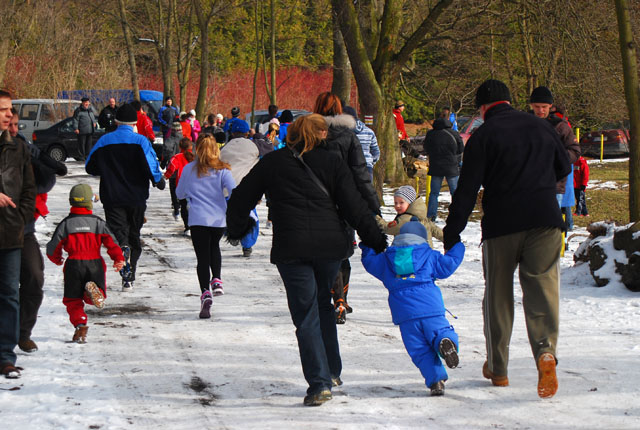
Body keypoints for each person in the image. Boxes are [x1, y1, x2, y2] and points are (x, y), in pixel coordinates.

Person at [226, 114, 387, 406]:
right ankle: (332, 371)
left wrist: (237, 229)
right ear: (320, 135)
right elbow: (354, 204)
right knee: (322, 304)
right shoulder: (334, 162)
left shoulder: (273, 163)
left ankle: (319, 383)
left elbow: (241, 197)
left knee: (306, 312)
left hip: (292, 248)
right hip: (330, 248)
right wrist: (375, 238)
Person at [443, 79, 571, 399]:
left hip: (502, 224)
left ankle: (498, 368)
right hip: (545, 220)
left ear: (484, 108)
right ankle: (545, 352)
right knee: (541, 288)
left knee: (498, 293)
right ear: (511, 101)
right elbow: (564, 165)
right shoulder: (542, 127)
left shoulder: (484, 135)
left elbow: (468, 189)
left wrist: (452, 230)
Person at [360, 220, 465, 396]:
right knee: (440, 331)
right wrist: (458, 246)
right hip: (431, 307)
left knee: (419, 350)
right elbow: (449, 264)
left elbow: (370, 262)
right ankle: (445, 342)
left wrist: (367, 246)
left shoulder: (386, 259)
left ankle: (435, 381)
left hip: (405, 314)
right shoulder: (429, 256)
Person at [314, 92, 381, 323]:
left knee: (321, 253)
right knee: (342, 253)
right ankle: (341, 300)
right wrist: (373, 204)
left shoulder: (308, 134)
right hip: (344, 201)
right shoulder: (349, 136)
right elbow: (361, 173)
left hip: (315, 202)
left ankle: (331, 298)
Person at [86, 103, 165, 291]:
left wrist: (106, 168)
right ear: (134, 122)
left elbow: (90, 166)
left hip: (112, 197)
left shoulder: (104, 141)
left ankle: (123, 257)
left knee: (119, 234)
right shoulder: (141, 142)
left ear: (117, 121)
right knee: (134, 235)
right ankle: (130, 273)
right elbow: (151, 163)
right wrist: (158, 181)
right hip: (136, 197)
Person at [9, 108, 67, 353]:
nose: (13, 129)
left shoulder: (23, 148)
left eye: (15, 125)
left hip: (24, 228)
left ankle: (22, 333)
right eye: (7, 124)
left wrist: (43, 162)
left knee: (34, 278)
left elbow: (46, 182)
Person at [46, 184, 125, 343]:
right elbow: (112, 242)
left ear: (71, 202)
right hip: (95, 263)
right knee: (97, 291)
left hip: (74, 264)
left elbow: (52, 247)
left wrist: (57, 258)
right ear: (89, 203)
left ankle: (80, 324)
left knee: (72, 299)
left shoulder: (66, 224)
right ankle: (94, 293)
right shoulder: (98, 223)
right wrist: (118, 259)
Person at [177, 135, 235, 318]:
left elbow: (180, 193)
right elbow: (233, 190)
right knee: (214, 247)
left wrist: (190, 193)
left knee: (202, 257)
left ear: (197, 149)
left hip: (197, 219)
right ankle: (216, 279)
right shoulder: (223, 170)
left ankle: (205, 293)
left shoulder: (188, 169)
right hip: (218, 219)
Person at [0, 90, 36, 379]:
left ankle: (5, 357)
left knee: (10, 295)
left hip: (11, 233)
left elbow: (29, 188)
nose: (9, 114)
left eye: (9, 109)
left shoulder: (18, 147)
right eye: (3, 109)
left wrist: (22, 217)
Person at [529, 86, 580, 232]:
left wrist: (557, 158)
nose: (540, 111)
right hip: (527, 183)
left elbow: (575, 151)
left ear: (550, 106)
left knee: (550, 226)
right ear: (531, 105)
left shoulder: (561, 126)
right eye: (537, 107)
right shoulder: (523, 122)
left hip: (554, 184)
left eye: (544, 107)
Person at [219, 119, 261, 257]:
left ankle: (232, 234)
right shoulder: (254, 146)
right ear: (247, 132)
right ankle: (247, 244)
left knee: (228, 213)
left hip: (227, 187)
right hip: (247, 187)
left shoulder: (225, 148)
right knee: (250, 214)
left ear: (232, 133)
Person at [423, 116, 464, 221]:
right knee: (455, 192)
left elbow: (426, 148)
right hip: (451, 167)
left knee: (434, 193)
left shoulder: (431, 134)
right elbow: (460, 149)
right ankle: (457, 214)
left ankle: (431, 216)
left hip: (436, 167)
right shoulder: (454, 133)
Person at [377, 185, 443, 248]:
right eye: (395, 203)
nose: (397, 206)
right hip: (426, 253)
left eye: (401, 202)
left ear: (410, 203)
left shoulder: (405, 219)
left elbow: (386, 228)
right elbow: (436, 231)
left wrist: (375, 217)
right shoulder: (423, 217)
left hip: (410, 255)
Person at [165, 138, 194, 234]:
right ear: (191, 146)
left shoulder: (177, 157)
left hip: (182, 184)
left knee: (184, 205)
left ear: (179, 147)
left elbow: (172, 167)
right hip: (195, 185)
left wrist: (167, 175)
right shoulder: (196, 156)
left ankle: (187, 227)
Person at [343, 106, 380, 182]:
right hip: (367, 167)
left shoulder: (343, 133)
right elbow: (376, 152)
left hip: (348, 167)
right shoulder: (369, 131)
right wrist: (370, 161)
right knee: (367, 192)